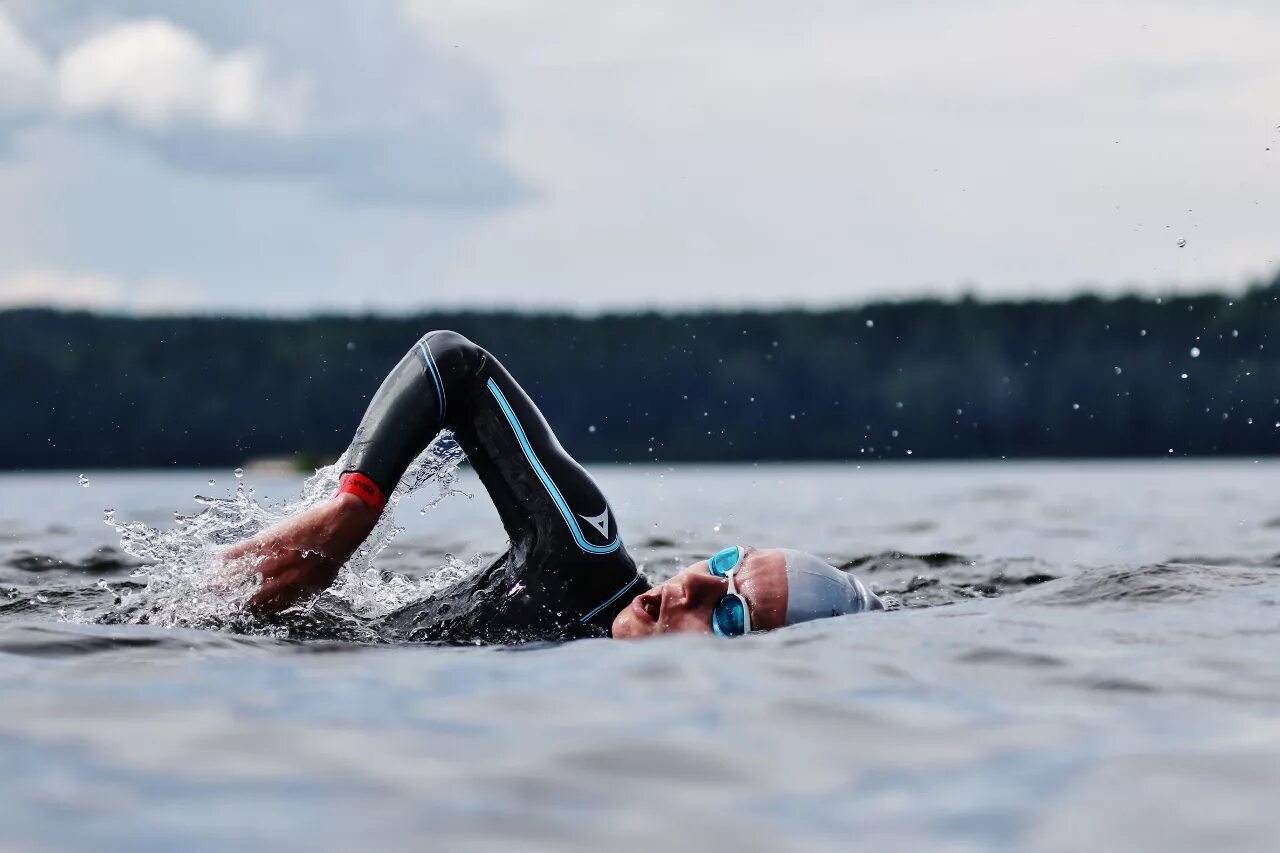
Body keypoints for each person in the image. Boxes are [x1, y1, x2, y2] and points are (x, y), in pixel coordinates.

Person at [225, 331, 882, 644]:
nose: (691, 586)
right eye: (721, 565)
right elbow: (456, 365)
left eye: (732, 614)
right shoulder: (579, 558)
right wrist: (352, 509)